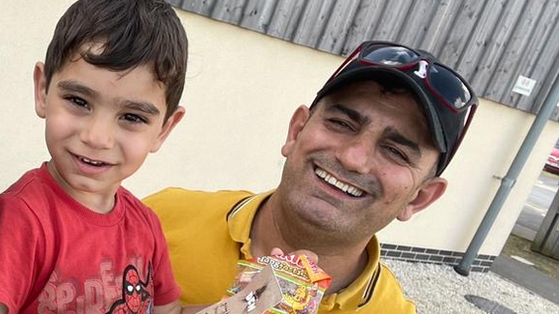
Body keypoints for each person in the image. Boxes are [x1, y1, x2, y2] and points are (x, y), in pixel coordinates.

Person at [144, 41, 478, 313]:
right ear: (296, 130)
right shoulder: (159, 219)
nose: (353, 158)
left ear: (420, 198)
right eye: (342, 124)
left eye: (396, 151)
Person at [0, 0, 195, 312]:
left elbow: (168, 310)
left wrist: (250, 301)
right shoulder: (20, 220)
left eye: (132, 118)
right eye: (78, 100)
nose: (97, 137)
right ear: (42, 90)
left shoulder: (146, 226)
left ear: (164, 129)